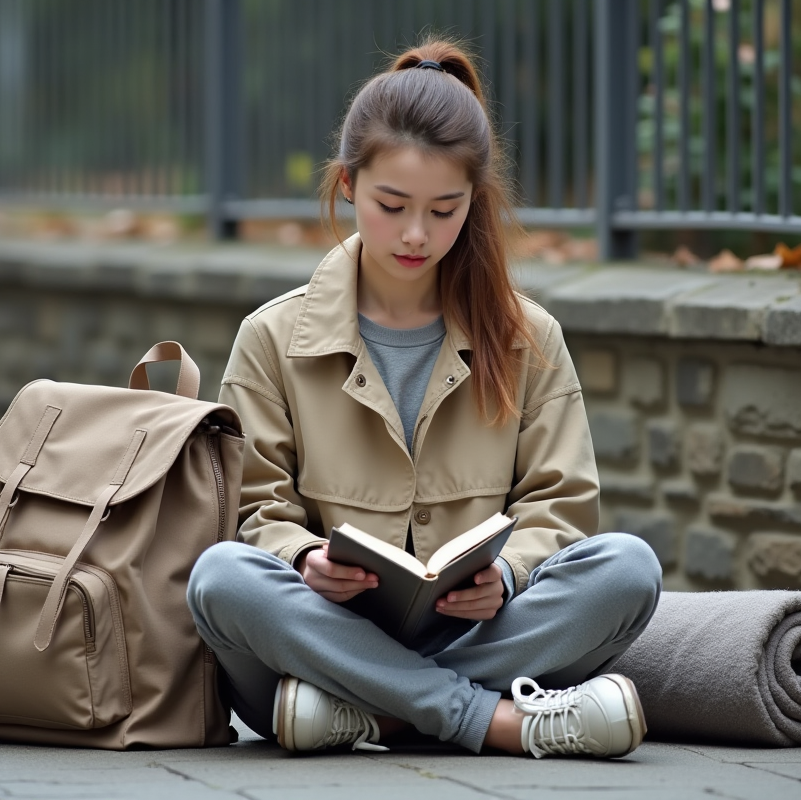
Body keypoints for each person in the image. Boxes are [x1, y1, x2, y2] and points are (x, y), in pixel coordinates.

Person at [187, 38, 662, 759]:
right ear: (349, 184)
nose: (416, 234)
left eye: (445, 209)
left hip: (460, 637)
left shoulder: (527, 337)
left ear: (475, 201)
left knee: (629, 569)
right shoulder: (273, 337)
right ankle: (497, 722)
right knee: (220, 578)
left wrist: (505, 575)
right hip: (319, 631)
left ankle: (371, 716)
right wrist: (304, 558)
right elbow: (252, 511)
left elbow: (560, 509)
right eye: (392, 204)